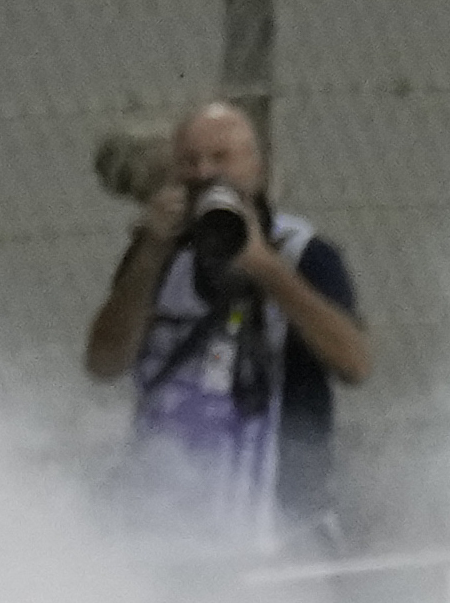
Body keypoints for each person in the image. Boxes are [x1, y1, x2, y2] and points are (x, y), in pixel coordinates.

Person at [84, 100, 368, 547]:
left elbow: (355, 362)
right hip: (167, 520)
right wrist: (151, 252)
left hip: (277, 523)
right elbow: (103, 362)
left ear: (256, 168)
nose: (206, 174)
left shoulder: (302, 252)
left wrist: (265, 268)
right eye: (191, 162)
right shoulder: (155, 254)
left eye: (221, 160)